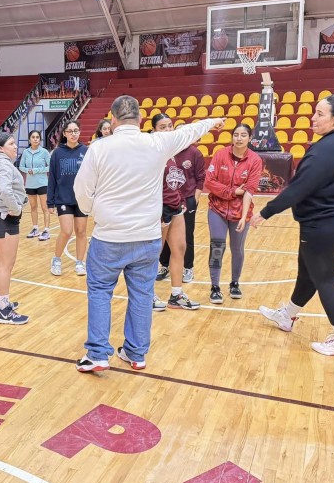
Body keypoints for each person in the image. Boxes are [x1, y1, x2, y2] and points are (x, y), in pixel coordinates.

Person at [73, 94, 223, 372]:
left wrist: (93, 209)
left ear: (113, 119)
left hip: (109, 237)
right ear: (141, 120)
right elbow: (189, 131)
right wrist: (214, 121)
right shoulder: (157, 142)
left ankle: (97, 354)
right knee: (142, 294)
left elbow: (81, 189)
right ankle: (136, 353)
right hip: (147, 236)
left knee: (100, 292)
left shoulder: (99, 148)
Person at [251, 94, 334, 359]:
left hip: (325, 223)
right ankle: (287, 316)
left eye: (320, 114)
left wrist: (266, 212)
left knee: (324, 279)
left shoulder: (327, 148)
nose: (313, 117)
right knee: (308, 272)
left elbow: (299, 188)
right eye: (314, 112)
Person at [204, 123, 262, 305]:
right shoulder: (221, 154)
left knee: (237, 249)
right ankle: (215, 286)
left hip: (239, 212)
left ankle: (235, 283)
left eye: (243, 135)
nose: (239, 138)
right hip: (217, 209)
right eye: (235, 134)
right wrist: (232, 192)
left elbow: (249, 191)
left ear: (250, 138)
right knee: (217, 246)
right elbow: (210, 181)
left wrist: (245, 217)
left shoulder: (255, 160)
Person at [150, 114, 201, 310]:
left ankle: (177, 295)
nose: (168, 130)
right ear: (154, 130)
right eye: (162, 127)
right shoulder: (153, 151)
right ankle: (149, 295)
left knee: (179, 248)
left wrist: (180, 199)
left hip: (175, 206)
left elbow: (174, 180)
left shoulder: (173, 152)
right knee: (154, 253)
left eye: (170, 126)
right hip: (158, 208)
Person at [0, 132, 29, 325]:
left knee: (2, 262)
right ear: (1, 148)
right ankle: (4, 310)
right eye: (11, 143)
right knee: (6, 264)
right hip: (3, 216)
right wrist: (16, 208)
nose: (15, 146)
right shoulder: (3, 163)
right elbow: (4, 190)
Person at [156, 132, 205, 286]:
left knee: (186, 238)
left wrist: (194, 201)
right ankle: (164, 266)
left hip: (187, 200)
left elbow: (201, 178)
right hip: (167, 202)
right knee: (162, 239)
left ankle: (188, 267)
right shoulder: (167, 152)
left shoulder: (195, 153)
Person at [48, 120, 89, 276]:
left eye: (76, 130)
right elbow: (52, 178)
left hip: (81, 199)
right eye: (70, 131)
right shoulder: (57, 153)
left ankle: (80, 262)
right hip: (63, 199)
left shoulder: (86, 151)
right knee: (66, 231)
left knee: (81, 231)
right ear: (64, 133)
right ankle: (56, 259)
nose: (73, 134)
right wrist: (49, 201)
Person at [18, 130, 51, 240]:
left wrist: (36, 170)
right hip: (30, 184)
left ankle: (46, 230)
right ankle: (35, 228)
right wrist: (28, 170)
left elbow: (50, 167)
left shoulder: (44, 152)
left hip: (42, 183)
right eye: (33, 137)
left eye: (37, 137)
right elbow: (21, 167)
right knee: (33, 207)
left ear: (40, 139)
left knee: (44, 207)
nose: (35, 139)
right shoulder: (26, 152)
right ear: (29, 139)